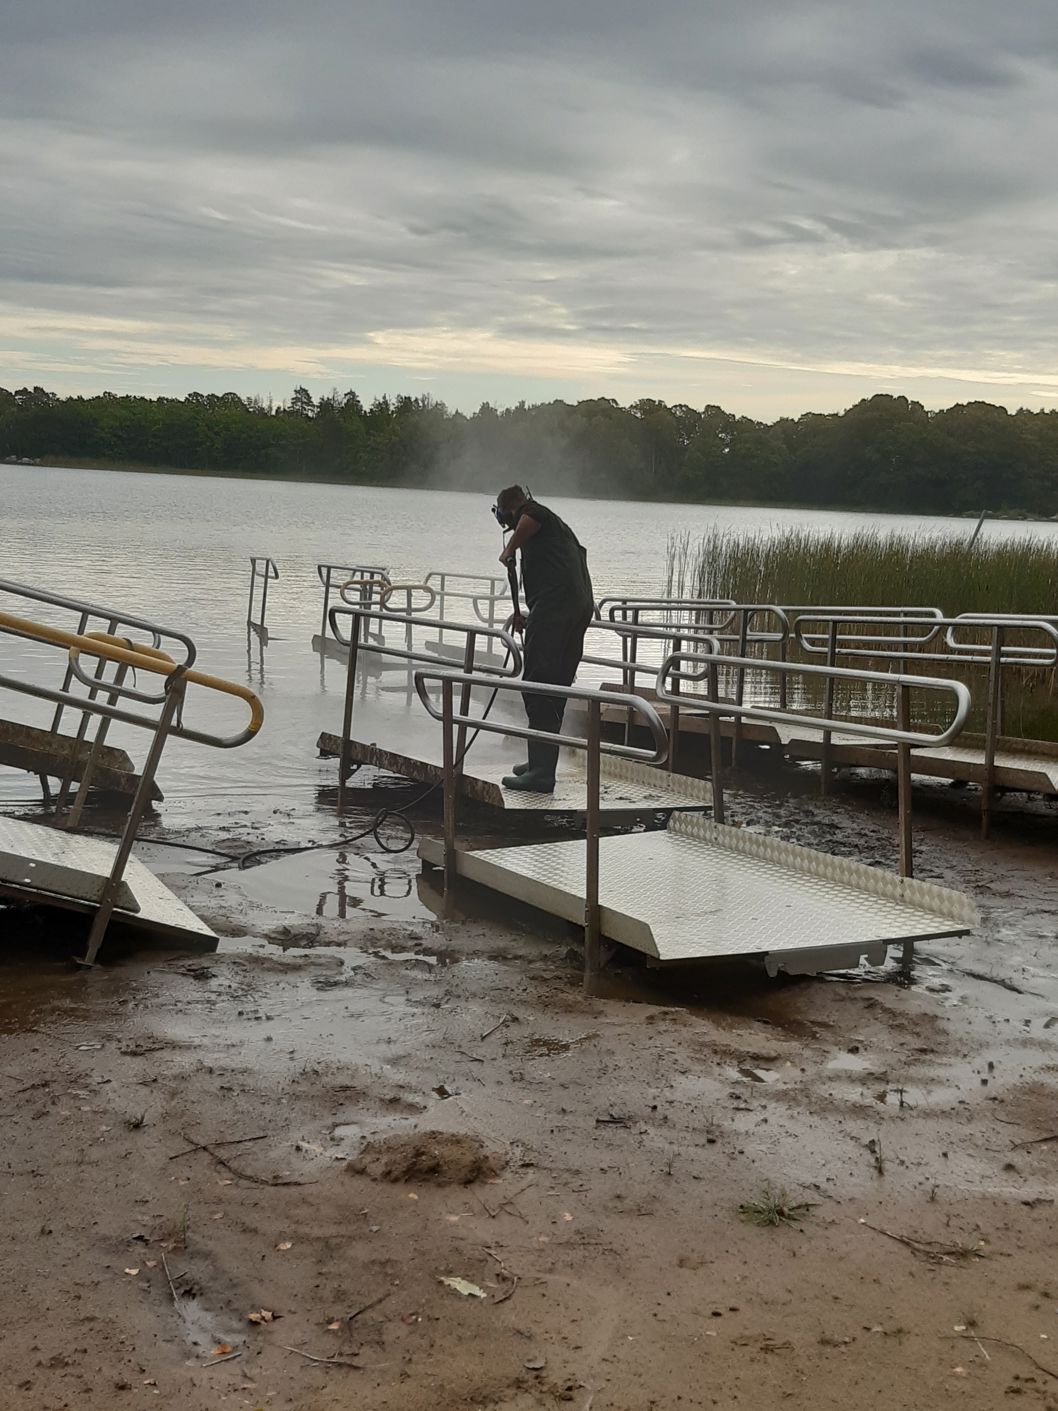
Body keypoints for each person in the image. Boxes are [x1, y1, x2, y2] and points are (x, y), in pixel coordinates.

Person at [493, 485, 595, 792]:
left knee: (537, 685)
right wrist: (528, 612)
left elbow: (529, 517)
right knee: (555, 686)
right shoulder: (554, 532)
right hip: (573, 609)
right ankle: (540, 760)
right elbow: (554, 576)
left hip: (556, 611)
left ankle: (540, 772)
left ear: (507, 510)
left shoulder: (534, 515)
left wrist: (509, 548)